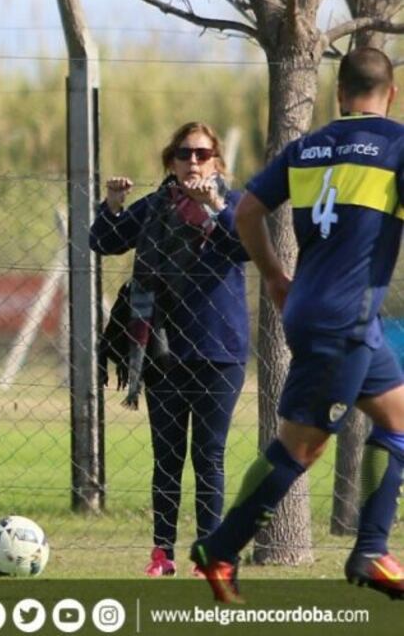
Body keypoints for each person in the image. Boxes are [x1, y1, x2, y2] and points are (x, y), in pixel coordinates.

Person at [191, 47, 404, 603]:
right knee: (300, 447)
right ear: (393, 93)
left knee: (399, 418)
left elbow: (245, 213)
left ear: (338, 94)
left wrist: (276, 278)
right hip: (346, 319)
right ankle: (220, 548)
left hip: (317, 307)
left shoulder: (306, 147)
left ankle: (371, 550)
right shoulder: (397, 146)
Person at [91, 122, 249, 577]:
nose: (193, 162)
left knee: (209, 456)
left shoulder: (234, 205)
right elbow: (103, 242)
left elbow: (242, 247)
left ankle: (209, 554)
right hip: (163, 350)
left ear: (217, 160)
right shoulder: (157, 206)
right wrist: (113, 206)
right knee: (167, 458)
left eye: (201, 154)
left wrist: (214, 206)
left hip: (220, 351)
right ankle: (162, 553)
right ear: (170, 161)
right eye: (184, 154)